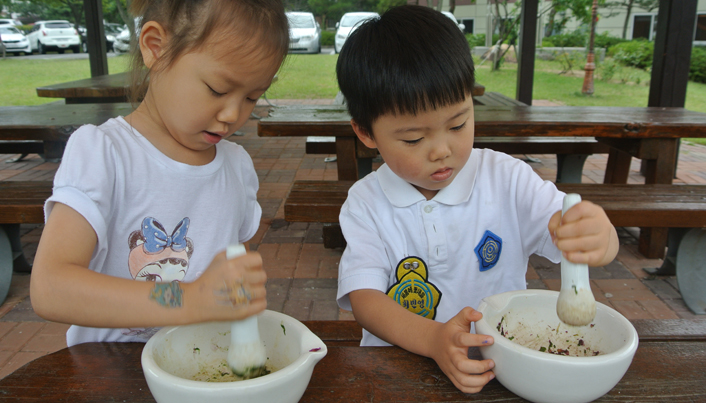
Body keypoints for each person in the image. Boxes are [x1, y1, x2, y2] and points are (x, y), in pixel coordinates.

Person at [335, 5, 619, 394]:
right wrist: (434, 340)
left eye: (458, 123)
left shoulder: (508, 179)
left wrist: (599, 238)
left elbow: (578, 239)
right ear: (366, 133)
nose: (441, 151)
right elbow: (365, 298)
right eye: (414, 139)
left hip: (504, 367)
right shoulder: (365, 201)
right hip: (399, 368)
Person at [29, 0, 289, 347]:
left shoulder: (236, 168)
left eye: (253, 97)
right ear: (156, 47)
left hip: (202, 371)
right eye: (218, 89)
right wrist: (188, 298)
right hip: (110, 374)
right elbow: (51, 288)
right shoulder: (105, 155)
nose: (232, 114)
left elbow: (225, 281)